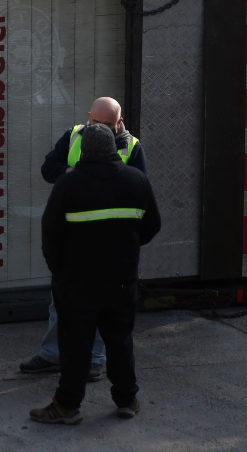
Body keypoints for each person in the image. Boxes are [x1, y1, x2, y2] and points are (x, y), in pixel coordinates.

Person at [30, 124, 161, 425]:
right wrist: (127, 250)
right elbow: (152, 225)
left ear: (84, 151)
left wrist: (58, 268)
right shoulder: (137, 181)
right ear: (113, 149)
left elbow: (51, 233)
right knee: (120, 342)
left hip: (76, 281)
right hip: (122, 279)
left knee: (76, 345)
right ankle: (127, 400)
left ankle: (66, 406)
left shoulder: (69, 185)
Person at [21, 97, 148, 381]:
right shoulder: (74, 136)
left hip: (111, 247)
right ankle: (52, 355)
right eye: (95, 123)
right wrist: (71, 175)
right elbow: (48, 168)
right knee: (61, 303)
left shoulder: (132, 147)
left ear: (120, 123)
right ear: (88, 116)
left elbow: (141, 192)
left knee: (103, 308)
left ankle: (94, 360)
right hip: (76, 244)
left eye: (107, 125)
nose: (99, 129)